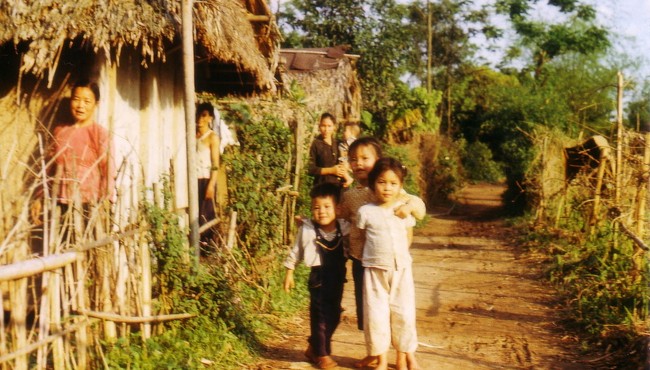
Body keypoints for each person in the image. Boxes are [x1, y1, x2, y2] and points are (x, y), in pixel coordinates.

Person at [337, 137, 425, 368]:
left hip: (394, 262)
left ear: (378, 160)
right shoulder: (351, 196)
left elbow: (418, 206)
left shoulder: (393, 188)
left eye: (365, 158)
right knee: (370, 311)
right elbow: (341, 215)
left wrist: (409, 207)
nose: (358, 163)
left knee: (400, 310)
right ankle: (376, 353)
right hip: (363, 260)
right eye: (353, 159)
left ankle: (406, 354)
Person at [31, 79, 116, 238]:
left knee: (88, 251)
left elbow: (109, 171)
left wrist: (105, 203)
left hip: (89, 206)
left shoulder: (100, 134)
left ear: (96, 104)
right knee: (60, 249)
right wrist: (39, 196)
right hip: (60, 204)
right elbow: (48, 168)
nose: (80, 105)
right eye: (76, 99)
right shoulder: (59, 131)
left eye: (86, 101)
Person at [357, 157, 420, 370]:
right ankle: (381, 360)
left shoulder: (403, 210)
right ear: (373, 184)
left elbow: (408, 235)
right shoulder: (366, 211)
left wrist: (400, 255)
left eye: (393, 183)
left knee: (404, 312)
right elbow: (358, 237)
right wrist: (364, 259)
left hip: (401, 269)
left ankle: (403, 356)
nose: (387, 188)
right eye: (382, 182)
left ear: (401, 186)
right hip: (375, 270)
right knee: (376, 315)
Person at [283, 183, 349, 369]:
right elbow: (296, 251)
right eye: (316, 208)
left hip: (337, 277)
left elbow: (359, 233)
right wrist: (289, 272)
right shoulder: (308, 229)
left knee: (334, 314)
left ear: (337, 208)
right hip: (318, 278)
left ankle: (313, 346)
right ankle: (322, 354)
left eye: (327, 207)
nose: (321, 212)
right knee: (320, 316)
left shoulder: (344, 227)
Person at [196, 102, 221, 253]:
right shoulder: (192, 135)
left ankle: (208, 249)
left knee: (206, 214)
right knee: (195, 213)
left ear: (210, 118)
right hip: (194, 179)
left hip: (206, 179)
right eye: (199, 114)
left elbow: (215, 164)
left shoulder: (212, 137)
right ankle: (198, 246)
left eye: (204, 115)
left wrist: (211, 184)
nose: (200, 119)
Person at [308, 112, 351, 187]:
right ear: (319, 126)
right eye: (323, 126)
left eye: (329, 126)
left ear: (334, 127)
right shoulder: (316, 144)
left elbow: (348, 158)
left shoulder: (338, 143)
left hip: (341, 186)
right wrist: (331, 170)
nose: (326, 129)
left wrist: (346, 166)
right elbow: (311, 169)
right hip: (323, 186)